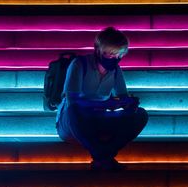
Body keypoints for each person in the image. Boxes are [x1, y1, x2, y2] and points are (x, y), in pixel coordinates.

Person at [55, 27, 149, 171]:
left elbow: (122, 95)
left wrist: (129, 104)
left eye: (118, 55)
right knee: (74, 111)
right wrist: (107, 104)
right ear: (98, 50)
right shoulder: (79, 65)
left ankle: (102, 157)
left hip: (99, 118)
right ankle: (104, 157)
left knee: (141, 114)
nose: (114, 59)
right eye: (110, 54)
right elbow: (73, 101)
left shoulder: (116, 70)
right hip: (73, 121)